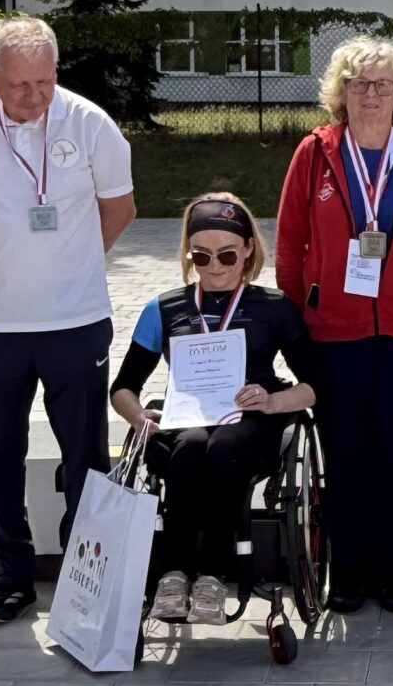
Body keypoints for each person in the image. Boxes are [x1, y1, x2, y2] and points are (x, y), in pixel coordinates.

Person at [0, 14, 137, 627]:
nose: (36, 95)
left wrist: (72, 263)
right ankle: (10, 579)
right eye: (20, 84)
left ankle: (83, 577)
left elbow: (120, 207)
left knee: (85, 454)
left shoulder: (88, 122)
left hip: (75, 320)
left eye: (45, 81)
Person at [276, 35, 393, 613]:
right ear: (341, 94)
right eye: (359, 84)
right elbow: (289, 244)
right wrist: (298, 326)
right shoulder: (315, 152)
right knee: (345, 449)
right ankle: (349, 568)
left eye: (384, 85)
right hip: (335, 330)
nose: (372, 95)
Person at [111, 192, 316, 626]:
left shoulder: (273, 307)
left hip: (252, 415)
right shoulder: (163, 308)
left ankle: (212, 574)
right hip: (187, 415)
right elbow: (124, 387)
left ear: (248, 249)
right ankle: (174, 572)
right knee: (188, 447)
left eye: (227, 254)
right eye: (201, 256)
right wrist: (137, 416)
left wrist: (273, 401)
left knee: (225, 447)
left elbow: (316, 385)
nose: (215, 266)